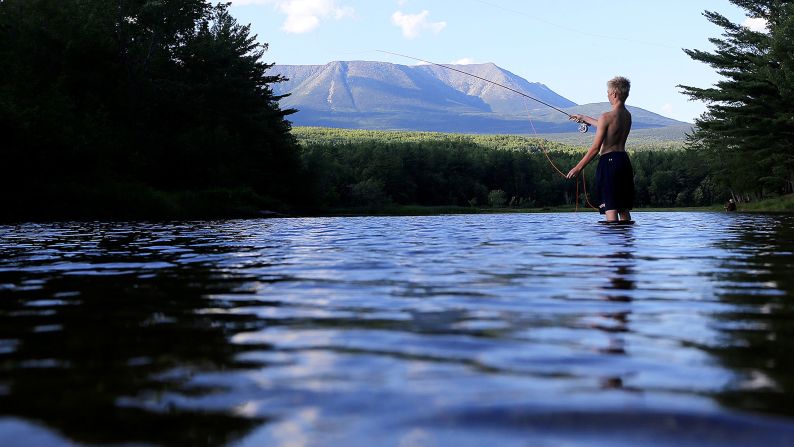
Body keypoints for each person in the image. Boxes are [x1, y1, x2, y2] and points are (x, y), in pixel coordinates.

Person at [566, 76, 634, 222]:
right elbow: (609, 126)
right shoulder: (627, 116)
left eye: (608, 93)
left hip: (609, 163)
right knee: (623, 208)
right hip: (623, 162)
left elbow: (596, 148)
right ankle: (626, 243)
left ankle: (611, 243)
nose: (608, 95)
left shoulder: (606, 116)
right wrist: (584, 117)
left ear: (614, 94)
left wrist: (578, 168)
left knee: (611, 207)